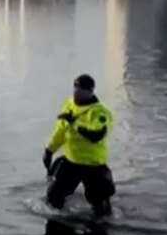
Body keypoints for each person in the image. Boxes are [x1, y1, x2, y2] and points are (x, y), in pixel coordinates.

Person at [44, 74, 116, 218]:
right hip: (71, 162)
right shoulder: (69, 105)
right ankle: (58, 230)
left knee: (100, 207)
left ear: (90, 92)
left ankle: (101, 228)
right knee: (54, 197)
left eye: (82, 89)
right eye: (76, 88)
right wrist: (49, 150)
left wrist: (75, 123)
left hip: (93, 165)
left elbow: (95, 135)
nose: (77, 92)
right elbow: (61, 130)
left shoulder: (99, 112)